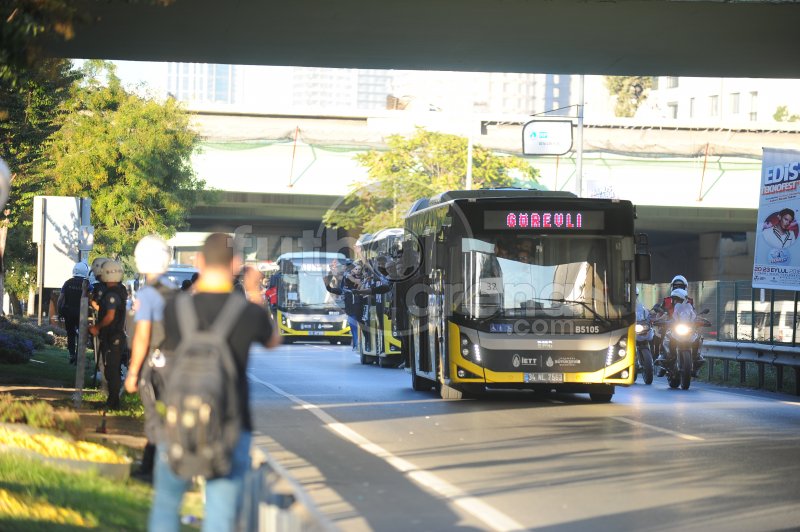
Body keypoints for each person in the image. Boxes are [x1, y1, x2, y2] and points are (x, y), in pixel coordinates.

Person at [148, 232, 280, 532]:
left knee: (166, 507)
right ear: (235, 264)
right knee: (220, 516)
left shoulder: (174, 309)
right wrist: (254, 290)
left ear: (199, 261)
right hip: (231, 424)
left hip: (177, 419)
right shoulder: (248, 313)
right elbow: (272, 340)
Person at [124, 235, 175, 482]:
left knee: (154, 418)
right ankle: (152, 463)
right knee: (166, 416)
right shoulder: (174, 291)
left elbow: (142, 335)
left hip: (154, 365)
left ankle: (152, 470)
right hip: (174, 364)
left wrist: (133, 373)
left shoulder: (147, 295)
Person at [89, 260, 127, 410]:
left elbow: (110, 316)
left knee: (112, 370)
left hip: (113, 336)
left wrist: (97, 327)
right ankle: (112, 401)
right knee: (111, 369)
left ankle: (113, 402)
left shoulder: (112, 294)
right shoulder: (119, 290)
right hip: (113, 335)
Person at [57, 262, 89, 364]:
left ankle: (71, 354)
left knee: (70, 334)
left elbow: (60, 299)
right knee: (81, 335)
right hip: (81, 313)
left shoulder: (67, 283)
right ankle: (78, 356)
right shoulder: (87, 284)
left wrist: (60, 312)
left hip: (68, 312)